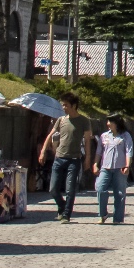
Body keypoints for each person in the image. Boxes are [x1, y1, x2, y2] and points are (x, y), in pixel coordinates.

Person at [36, 95, 92, 223]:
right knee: (53, 189)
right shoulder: (61, 120)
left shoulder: (84, 121)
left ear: (73, 105)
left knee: (70, 189)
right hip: (59, 158)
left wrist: (88, 158)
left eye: (66, 105)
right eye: (63, 105)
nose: (63, 107)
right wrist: (43, 151)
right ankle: (62, 206)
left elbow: (88, 141)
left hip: (74, 159)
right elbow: (50, 136)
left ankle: (66, 214)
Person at [92, 114, 132, 224]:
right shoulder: (104, 136)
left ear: (117, 123)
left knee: (119, 193)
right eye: (107, 121)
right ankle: (103, 214)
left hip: (120, 168)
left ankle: (118, 219)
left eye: (110, 121)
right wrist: (95, 164)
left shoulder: (125, 136)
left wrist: (127, 165)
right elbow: (99, 152)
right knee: (100, 188)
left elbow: (129, 151)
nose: (108, 124)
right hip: (105, 167)